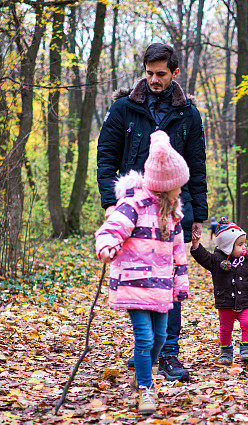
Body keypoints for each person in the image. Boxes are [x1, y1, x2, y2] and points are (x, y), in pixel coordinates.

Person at [97, 43, 207, 382]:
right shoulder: (123, 108)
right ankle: (145, 348)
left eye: (161, 74)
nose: (154, 79)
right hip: (133, 206)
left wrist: (198, 215)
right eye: (149, 73)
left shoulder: (188, 113)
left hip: (174, 208)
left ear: (175, 73)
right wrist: (110, 204)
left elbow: (197, 166)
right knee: (138, 276)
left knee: (169, 277)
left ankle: (168, 353)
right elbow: (106, 158)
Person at [94, 131, 190, 415]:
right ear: (165, 186)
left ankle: (142, 370)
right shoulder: (133, 204)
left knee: (160, 338)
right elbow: (111, 229)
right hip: (133, 283)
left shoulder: (173, 215)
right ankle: (146, 389)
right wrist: (108, 246)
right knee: (145, 338)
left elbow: (178, 254)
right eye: (178, 186)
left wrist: (180, 285)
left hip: (160, 287)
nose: (181, 191)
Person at [190, 218, 248, 365]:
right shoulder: (217, 260)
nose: (244, 247)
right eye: (239, 244)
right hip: (225, 301)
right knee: (226, 328)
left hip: (245, 301)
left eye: (244, 243)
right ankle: (226, 352)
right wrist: (195, 244)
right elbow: (203, 256)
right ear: (227, 246)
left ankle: (246, 349)